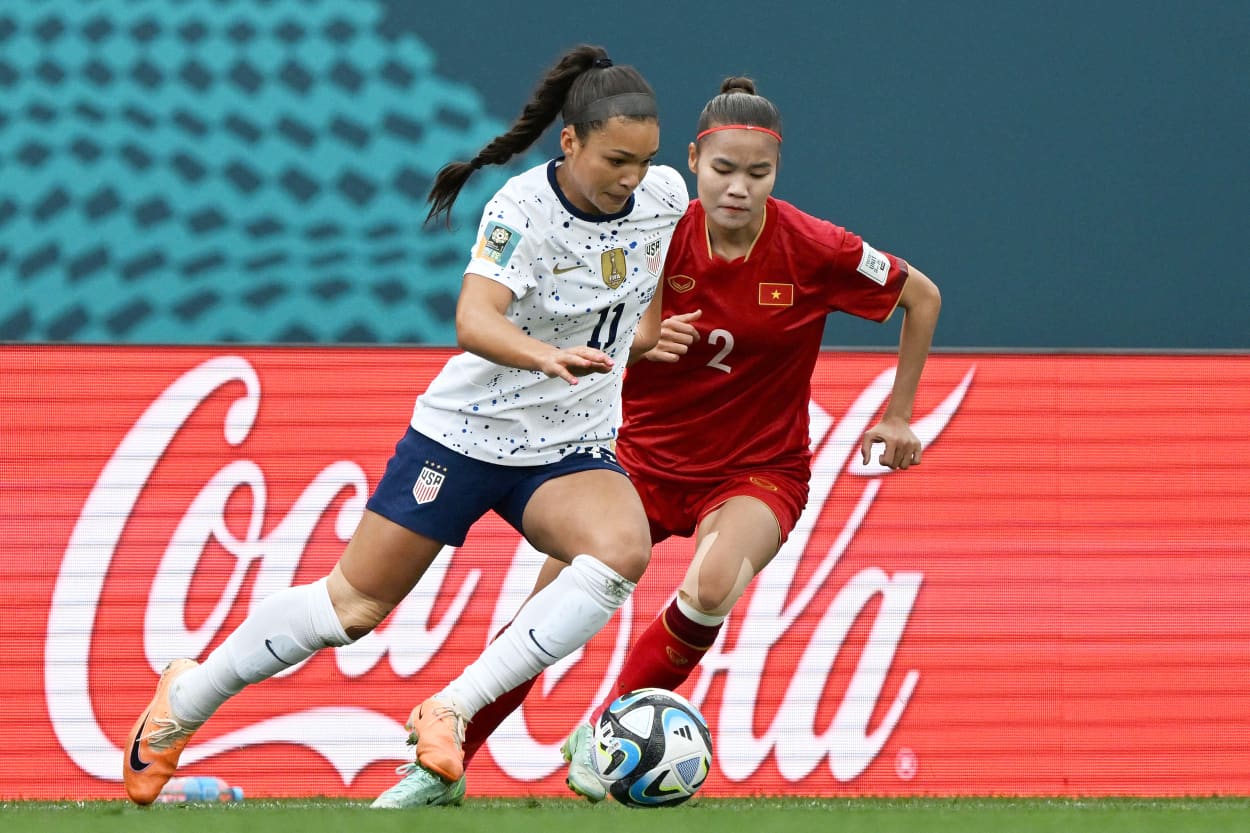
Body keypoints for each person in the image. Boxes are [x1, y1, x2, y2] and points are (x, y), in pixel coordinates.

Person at [121, 44, 688, 808]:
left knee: (623, 549)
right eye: (617, 158)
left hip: (567, 444)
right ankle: (181, 702)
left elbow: (643, 281)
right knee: (351, 609)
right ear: (570, 141)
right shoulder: (522, 209)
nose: (632, 176)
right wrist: (545, 353)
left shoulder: (663, 195)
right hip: (465, 433)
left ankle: (449, 707)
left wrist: (642, 339)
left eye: (645, 159)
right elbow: (472, 318)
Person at [402, 75, 942, 806]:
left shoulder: (814, 247)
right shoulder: (650, 231)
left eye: (759, 173)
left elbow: (921, 295)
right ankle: (442, 763)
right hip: (636, 461)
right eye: (724, 169)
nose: (740, 188)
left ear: (775, 174)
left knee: (713, 585)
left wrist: (899, 414)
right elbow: (580, 328)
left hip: (758, 468)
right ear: (692, 161)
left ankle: (605, 734)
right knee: (546, 620)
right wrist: (640, 346)